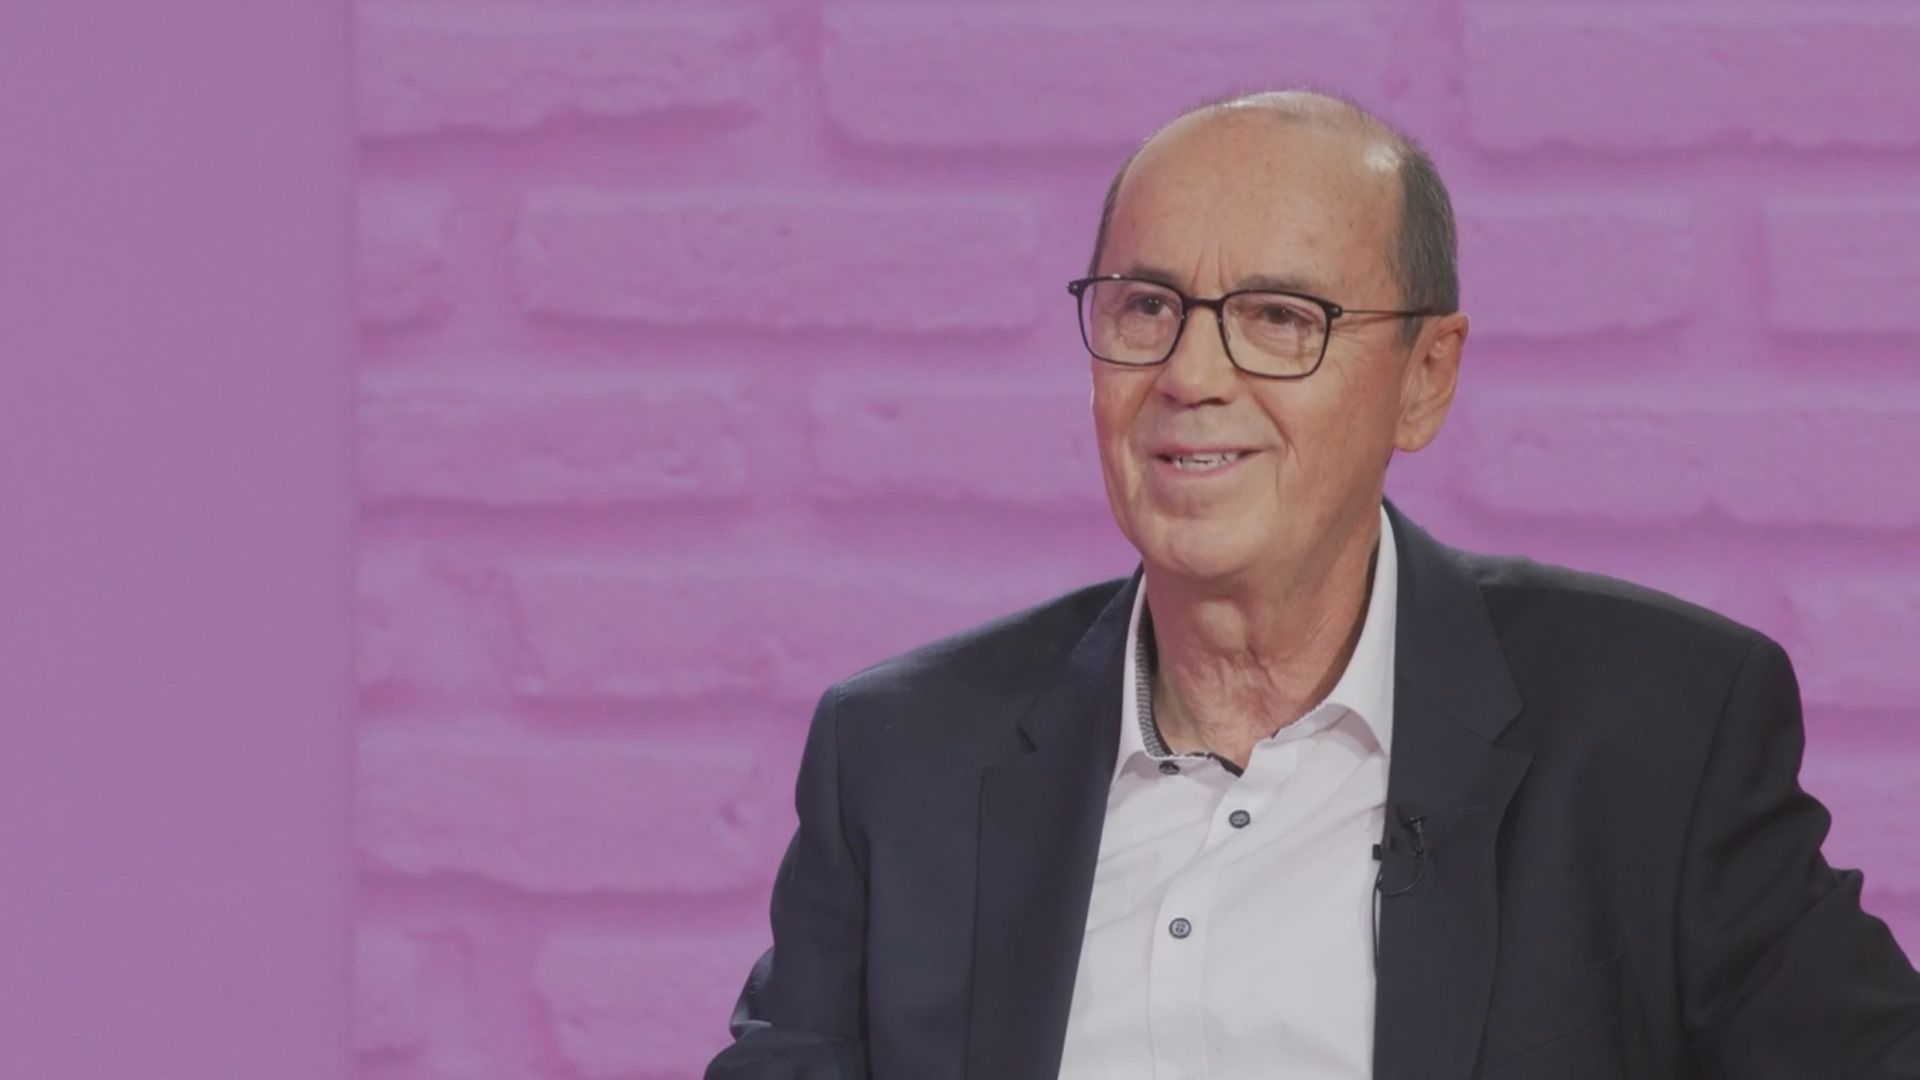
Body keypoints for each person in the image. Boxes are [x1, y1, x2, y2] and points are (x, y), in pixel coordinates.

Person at [704, 89, 1920, 1079]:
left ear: (1425, 377)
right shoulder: (901, 757)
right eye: (1147, 307)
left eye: (1280, 317)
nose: (1190, 374)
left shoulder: (1657, 732)